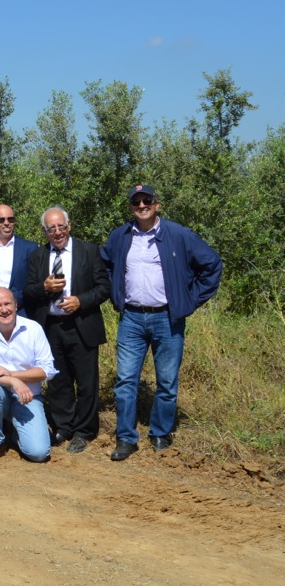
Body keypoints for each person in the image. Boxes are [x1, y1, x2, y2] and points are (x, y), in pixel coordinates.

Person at [101, 184, 222, 461]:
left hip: (168, 318)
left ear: (157, 204)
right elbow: (105, 265)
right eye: (136, 202)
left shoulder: (179, 234)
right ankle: (126, 438)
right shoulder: (120, 236)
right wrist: (115, 292)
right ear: (131, 207)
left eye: (147, 201)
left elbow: (212, 264)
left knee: (166, 382)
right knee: (126, 380)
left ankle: (160, 433)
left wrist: (189, 300)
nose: (141, 205)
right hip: (131, 317)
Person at [23, 206, 110, 454]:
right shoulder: (37, 256)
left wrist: (81, 300)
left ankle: (84, 431)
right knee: (58, 381)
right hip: (50, 326)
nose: (57, 232)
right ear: (44, 231)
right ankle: (63, 426)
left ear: (69, 226)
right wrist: (44, 287)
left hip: (82, 324)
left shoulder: (89, 251)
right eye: (52, 228)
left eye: (61, 226)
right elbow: (28, 292)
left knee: (86, 381)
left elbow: (104, 287)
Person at [0, 287, 57, 462]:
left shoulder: (33, 329)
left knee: (39, 454)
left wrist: (13, 373)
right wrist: (11, 381)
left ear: (16, 305)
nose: (4, 309)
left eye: (7, 303)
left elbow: (47, 370)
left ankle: (14, 429)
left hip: (28, 398)